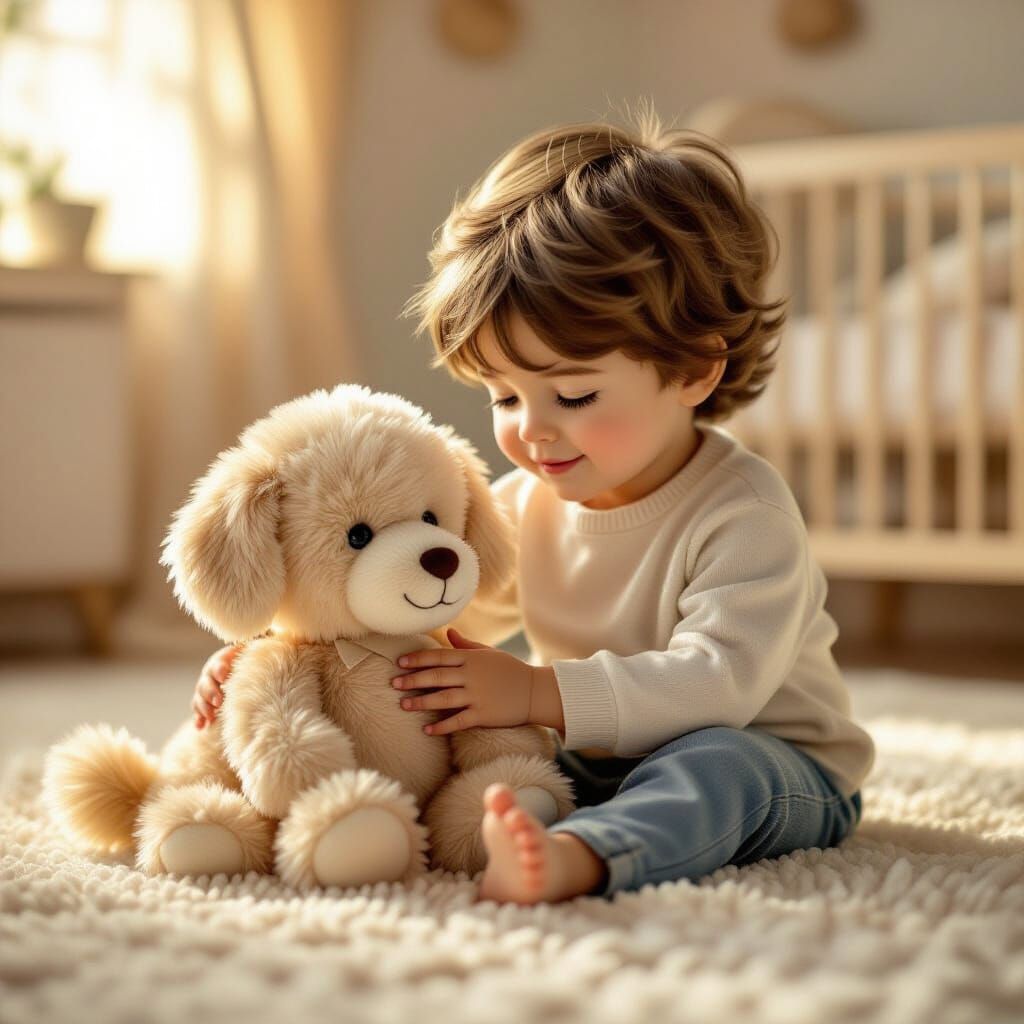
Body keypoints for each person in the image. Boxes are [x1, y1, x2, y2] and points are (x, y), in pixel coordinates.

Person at [191, 104, 874, 907]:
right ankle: (376, 821)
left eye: (574, 394)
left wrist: (532, 693)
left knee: (715, 765)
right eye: (503, 396)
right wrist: (293, 656)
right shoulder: (524, 505)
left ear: (693, 370)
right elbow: (433, 627)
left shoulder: (744, 511)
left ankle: (585, 856)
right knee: (482, 749)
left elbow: (718, 682)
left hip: (773, 761)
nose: (531, 431)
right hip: (591, 753)